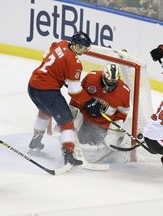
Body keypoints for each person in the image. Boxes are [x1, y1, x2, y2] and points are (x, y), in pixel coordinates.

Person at [27, 31, 103, 166]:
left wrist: (58, 74)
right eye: (81, 47)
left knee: (44, 112)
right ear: (75, 44)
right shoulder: (75, 63)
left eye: (85, 48)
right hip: (47, 91)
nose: (83, 50)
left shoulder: (61, 43)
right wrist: (90, 102)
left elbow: (47, 55)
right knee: (67, 121)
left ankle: (36, 140)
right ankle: (68, 154)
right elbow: (74, 91)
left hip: (33, 86)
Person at [69, 63, 130, 149]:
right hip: (84, 118)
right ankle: (63, 134)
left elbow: (123, 111)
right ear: (103, 76)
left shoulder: (124, 91)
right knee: (72, 112)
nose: (111, 84)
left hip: (102, 125)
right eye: (109, 81)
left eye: (114, 81)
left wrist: (115, 127)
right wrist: (73, 113)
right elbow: (78, 95)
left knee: (92, 145)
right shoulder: (91, 78)